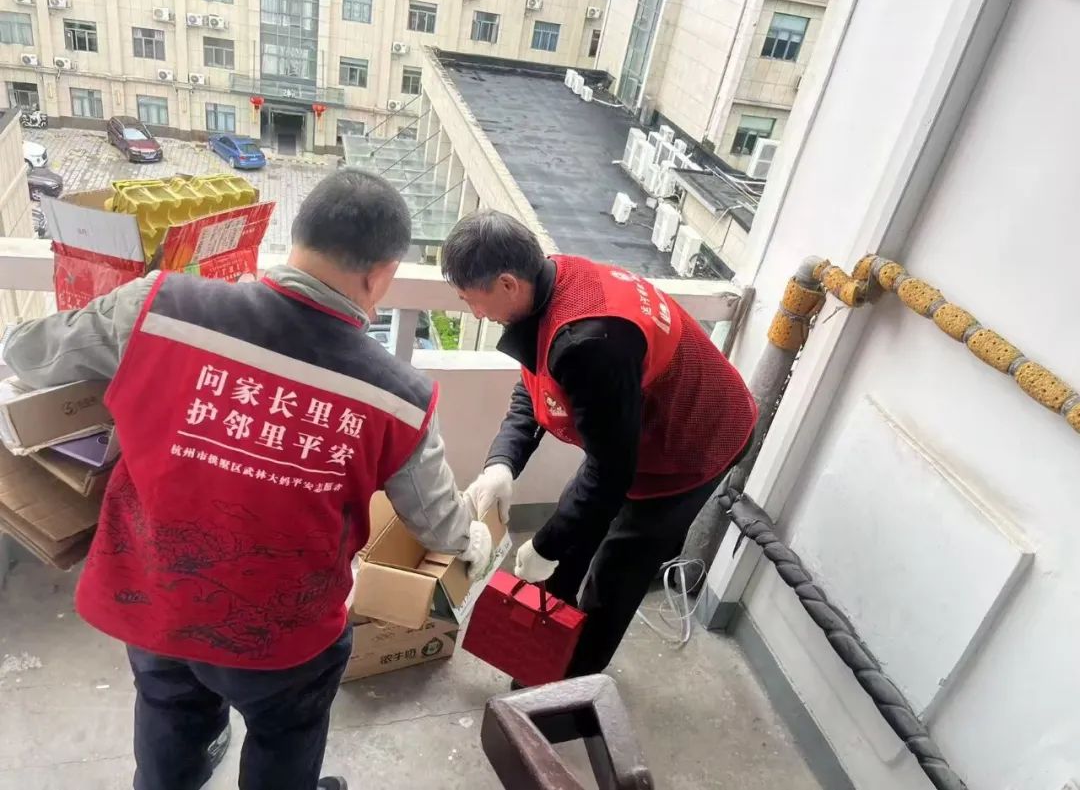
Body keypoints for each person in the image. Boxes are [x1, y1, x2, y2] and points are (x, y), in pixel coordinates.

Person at [2, 170, 492, 790]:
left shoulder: (159, 307)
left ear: (298, 238)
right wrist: (474, 536)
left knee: (169, 713)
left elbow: (24, 353)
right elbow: (438, 524)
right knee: (284, 739)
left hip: (157, 596)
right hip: (283, 636)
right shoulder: (400, 396)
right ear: (381, 274)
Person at [443, 210, 757, 681]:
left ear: (507, 283)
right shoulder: (548, 282)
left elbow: (611, 473)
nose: (475, 314)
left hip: (695, 442)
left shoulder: (588, 340)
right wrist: (501, 464)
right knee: (572, 538)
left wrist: (546, 542)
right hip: (637, 431)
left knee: (616, 568)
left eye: (474, 300)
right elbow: (534, 386)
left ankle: (571, 684)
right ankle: (541, 654)